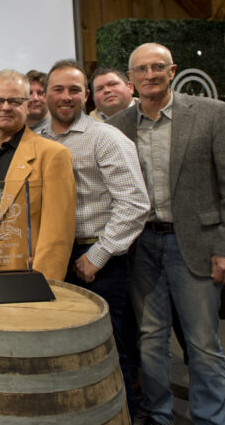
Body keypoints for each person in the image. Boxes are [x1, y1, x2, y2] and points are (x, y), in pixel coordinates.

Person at [108, 43, 225, 425]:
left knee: (203, 342)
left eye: (158, 67)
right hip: (141, 246)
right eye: (141, 69)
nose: (150, 74)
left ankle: (210, 418)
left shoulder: (211, 114)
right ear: (131, 77)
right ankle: (159, 414)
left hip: (197, 245)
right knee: (150, 339)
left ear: (173, 72)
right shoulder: (118, 126)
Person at [42, 59, 150, 418]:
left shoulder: (105, 138)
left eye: (75, 89)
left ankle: (123, 416)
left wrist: (98, 256)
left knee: (106, 350)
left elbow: (134, 203)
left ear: (86, 96)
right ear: (45, 95)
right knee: (60, 349)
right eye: (58, 88)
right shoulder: (37, 138)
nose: (66, 96)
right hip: (52, 257)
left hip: (96, 259)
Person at [0, 69, 76, 280]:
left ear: (28, 105)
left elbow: (57, 233)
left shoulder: (53, 155)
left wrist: (44, 282)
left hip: (22, 271)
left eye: (15, 101)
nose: (6, 108)